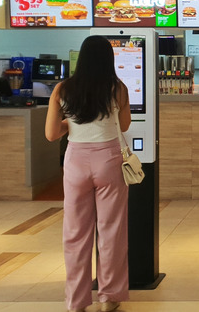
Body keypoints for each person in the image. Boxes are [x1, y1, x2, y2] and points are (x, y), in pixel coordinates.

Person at [45, 35, 131, 312]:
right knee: (111, 230)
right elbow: (125, 125)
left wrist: (70, 124)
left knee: (75, 233)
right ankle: (109, 297)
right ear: (109, 59)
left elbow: (51, 134)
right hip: (109, 161)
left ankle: (76, 301)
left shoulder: (62, 89)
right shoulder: (118, 88)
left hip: (76, 162)